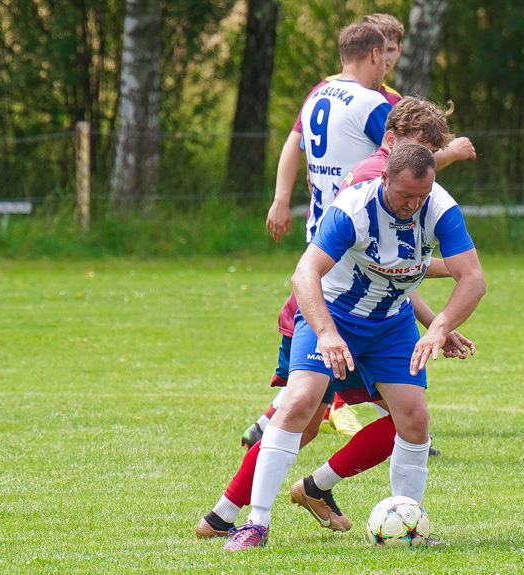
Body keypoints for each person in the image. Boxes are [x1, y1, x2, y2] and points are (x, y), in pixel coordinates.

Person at [196, 97, 474, 540]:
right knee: (302, 407)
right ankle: (249, 520)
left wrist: (438, 326)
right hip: (329, 311)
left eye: (432, 152)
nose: (411, 205)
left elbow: (449, 274)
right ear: (389, 156)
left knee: (411, 417)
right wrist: (326, 332)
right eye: (405, 193)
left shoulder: (434, 202)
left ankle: (400, 521)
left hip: (387, 322)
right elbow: (308, 270)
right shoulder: (362, 194)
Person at [242, 13, 477, 447]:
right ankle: (257, 474)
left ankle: (384, 429)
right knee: (316, 386)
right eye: (387, 52)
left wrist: (280, 198)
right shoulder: (375, 106)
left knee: (336, 386)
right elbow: (408, 165)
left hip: (329, 235)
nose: (390, 60)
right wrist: (450, 153)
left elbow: (294, 144)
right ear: (375, 54)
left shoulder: (318, 93)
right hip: (349, 247)